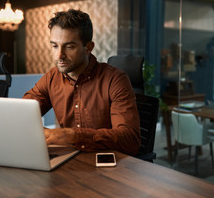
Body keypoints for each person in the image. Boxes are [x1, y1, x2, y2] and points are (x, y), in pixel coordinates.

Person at [23, 9, 141, 155]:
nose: (59, 55)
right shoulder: (51, 77)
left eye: (69, 46)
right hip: (70, 160)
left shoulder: (115, 79)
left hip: (108, 166)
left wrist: (73, 136)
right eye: (54, 46)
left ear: (88, 48)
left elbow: (130, 140)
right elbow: (22, 113)